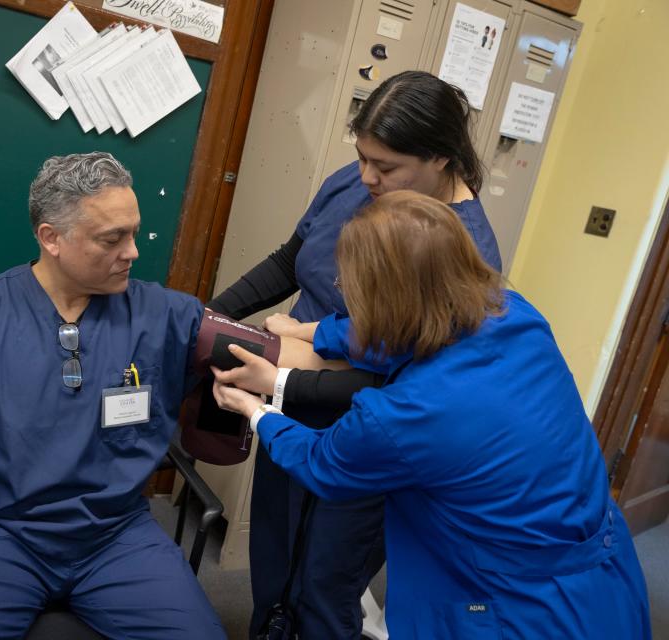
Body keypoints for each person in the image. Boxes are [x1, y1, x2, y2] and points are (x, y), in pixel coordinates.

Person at [212, 191, 652, 639]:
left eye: (348, 289)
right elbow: (413, 329)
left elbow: (322, 462)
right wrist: (315, 332)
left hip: (520, 611)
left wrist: (257, 411)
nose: (345, 295)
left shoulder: (405, 414)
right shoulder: (516, 315)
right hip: (603, 572)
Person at [206, 70, 502, 638]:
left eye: (385, 167)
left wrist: (288, 368)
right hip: (292, 385)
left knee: (325, 582)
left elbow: (395, 377)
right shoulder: (360, 180)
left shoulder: (463, 254)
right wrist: (211, 316)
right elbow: (292, 261)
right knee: (275, 552)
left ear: (441, 159)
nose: (367, 176)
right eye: (362, 156)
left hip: (373, 426)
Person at [0, 152, 227, 640]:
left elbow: (272, 352)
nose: (132, 251)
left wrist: (340, 339)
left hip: (116, 534)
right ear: (52, 238)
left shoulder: (165, 313)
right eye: (113, 239)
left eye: (134, 232)